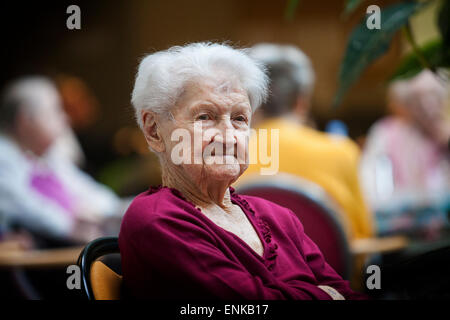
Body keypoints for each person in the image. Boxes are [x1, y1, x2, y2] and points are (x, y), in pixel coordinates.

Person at [119, 42, 367, 300]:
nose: (229, 136)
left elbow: (348, 294)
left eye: (239, 119)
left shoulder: (279, 218)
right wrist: (324, 295)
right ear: (154, 130)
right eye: (205, 117)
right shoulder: (156, 220)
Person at [237, 43, 374, 240]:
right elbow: (364, 234)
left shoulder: (227, 156)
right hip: (329, 270)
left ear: (252, 103)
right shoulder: (342, 151)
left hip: (249, 270)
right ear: (302, 102)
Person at [0, 76, 124, 246]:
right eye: (55, 110)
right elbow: (24, 205)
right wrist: (70, 225)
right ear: (25, 120)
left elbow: (83, 188)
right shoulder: (4, 156)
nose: (65, 119)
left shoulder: (46, 155)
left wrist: (120, 211)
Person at [360, 70, 450, 237]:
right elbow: (374, 193)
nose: (429, 106)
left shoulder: (444, 137)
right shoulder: (385, 134)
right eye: (420, 99)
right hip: (400, 234)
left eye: (435, 96)